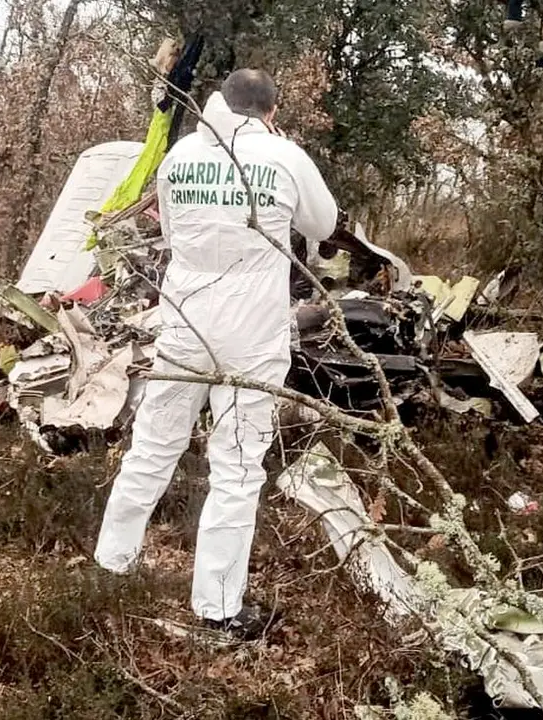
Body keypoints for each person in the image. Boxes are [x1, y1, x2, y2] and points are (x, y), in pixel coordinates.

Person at [94, 69, 338, 641]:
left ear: (220, 104)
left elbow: (175, 236)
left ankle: (112, 562)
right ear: (269, 113)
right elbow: (322, 225)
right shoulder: (283, 156)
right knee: (235, 467)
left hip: (185, 323)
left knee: (153, 447)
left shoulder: (180, 156)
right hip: (253, 332)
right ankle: (220, 605)